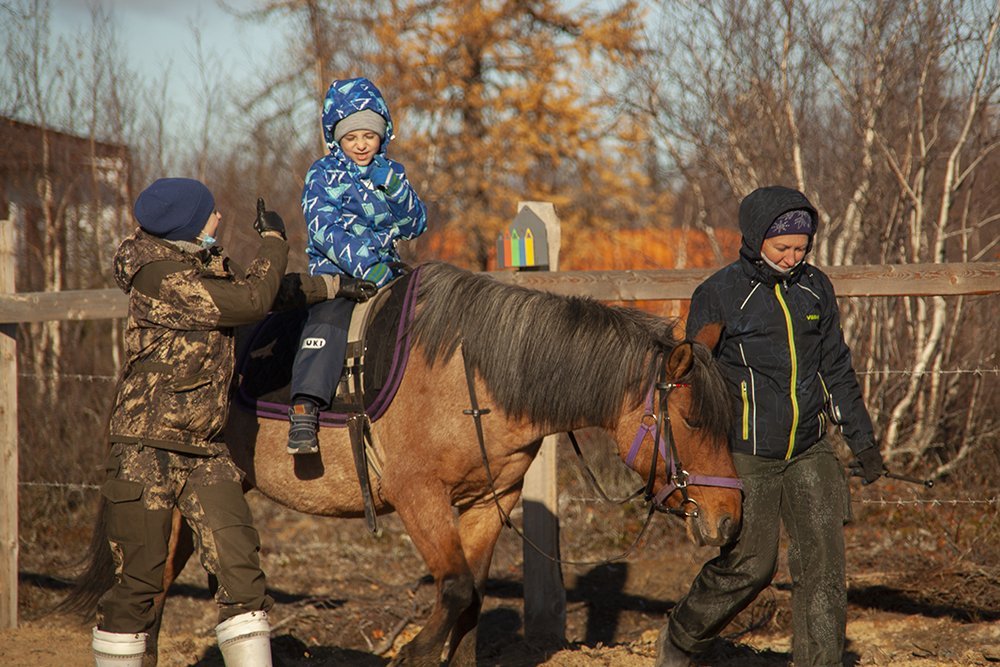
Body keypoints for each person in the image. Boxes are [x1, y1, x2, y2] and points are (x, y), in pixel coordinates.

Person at [92, 177, 370, 666]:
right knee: (137, 586)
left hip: (206, 448)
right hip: (147, 449)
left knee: (241, 574)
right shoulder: (161, 277)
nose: (218, 218)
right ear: (187, 222)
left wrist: (333, 286)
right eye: (211, 213)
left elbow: (263, 290)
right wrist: (274, 241)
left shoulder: (195, 267)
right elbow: (249, 303)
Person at [656, 185, 884, 667]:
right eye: (783, 247)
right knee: (750, 566)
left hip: (809, 446)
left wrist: (861, 440)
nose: (792, 256)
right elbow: (694, 378)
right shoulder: (720, 293)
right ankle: (682, 637)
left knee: (823, 564)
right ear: (757, 238)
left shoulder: (814, 287)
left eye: (801, 247)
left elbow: (836, 365)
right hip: (746, 451)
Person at [287, 76, 427, 455]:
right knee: (329, 320)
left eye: (369, 135)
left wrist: (396, 189)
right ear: (337, 140)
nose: (361, 145)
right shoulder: (322, 175)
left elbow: (415, 224)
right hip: (339, 274)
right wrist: (366, 267)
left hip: (389, 268)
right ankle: (305, 405)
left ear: (383, 133)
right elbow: (323, 230)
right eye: (351, 138)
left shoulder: (391, 172)